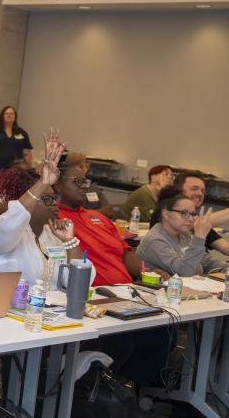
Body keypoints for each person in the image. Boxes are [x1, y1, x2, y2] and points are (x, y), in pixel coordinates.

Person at [57, 163, 172, 386]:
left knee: (163, 334)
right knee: (122, 343)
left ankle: (122, 390)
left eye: (85, 181)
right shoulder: (56, 219)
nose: (84, 186)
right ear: (57, 184)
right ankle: (94, 392)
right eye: (77, 181)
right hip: (94, 296)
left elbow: (125, 253)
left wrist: (147, 272)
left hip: (126, 293)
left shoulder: (97, 217)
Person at [0, 130, 90, 286]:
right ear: (31, 201)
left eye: (54, 198)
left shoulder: (52, 236)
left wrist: (70, 242)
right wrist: (43, 182)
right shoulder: (3, 227)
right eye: (47, 199)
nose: (55, 204)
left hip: (41, 309)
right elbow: (15, 218)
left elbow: (79, 283)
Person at [137, 188, 227, 277]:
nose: (191, 219)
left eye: (193, 214)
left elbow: (205, 260)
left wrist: (226, 268)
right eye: (184, 213)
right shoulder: (155, 241)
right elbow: (185, 273)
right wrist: (199, 238)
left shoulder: (183, 234)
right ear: (166, 214)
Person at [149, 172, 229, 256]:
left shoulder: (197, 220)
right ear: (178, 190)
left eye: (202, 191)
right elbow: (200, 222)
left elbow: (223, 246)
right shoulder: (166, 211)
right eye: (194, 189)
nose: (200, 194)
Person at [64, 153, 113, 217]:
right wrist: (95, 213)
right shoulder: (68, 187)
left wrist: (86, 213)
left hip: (94, 222)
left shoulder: (92, 186)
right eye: (85, 162)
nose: (88, 164)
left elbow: (108, 211)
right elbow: (74, 213)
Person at [0, 106, 33, 173]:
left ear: (15, 116)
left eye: (11, 113)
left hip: (15, 171)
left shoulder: (22, 133)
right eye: (6, 113)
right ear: (2, 116)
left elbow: (27, 153)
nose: (9, 115)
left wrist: (28, 168)